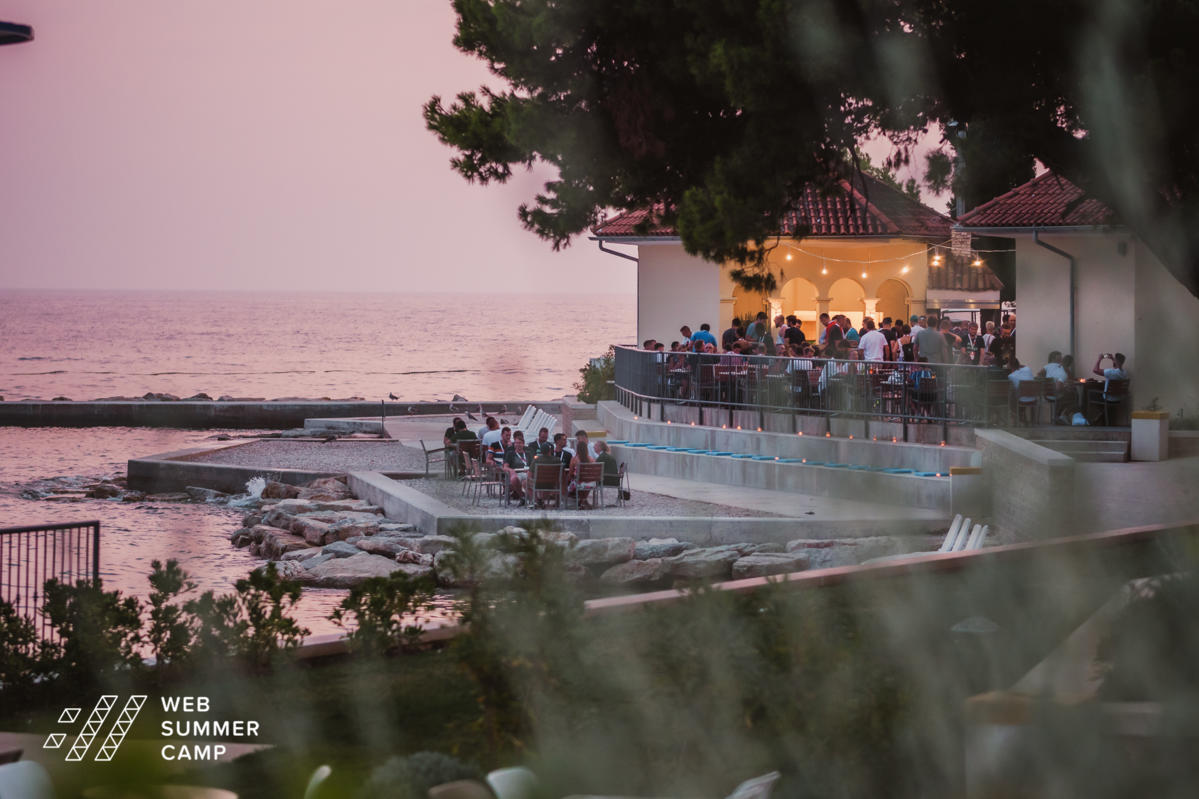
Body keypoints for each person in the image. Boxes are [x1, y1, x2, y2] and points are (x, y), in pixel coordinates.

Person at [568, 431, 595, 509]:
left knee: (569, 481)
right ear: (586, 449)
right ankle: (583, 500)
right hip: (591, 484)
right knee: (584, 482)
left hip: (579, 484)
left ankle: (580, 500)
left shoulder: (574, 460)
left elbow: (570, 474)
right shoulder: (591, 460)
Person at [502, 431, 530, 504]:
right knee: (515, 479)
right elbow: (505, 467)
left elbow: (532, 466)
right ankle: (522, 496)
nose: (518, 445)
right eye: (516, 443)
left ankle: (530, 498)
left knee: (527, 480)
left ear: (523, 444)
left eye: (520, 443)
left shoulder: (528, 454)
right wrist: (511, 471)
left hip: (527, 473)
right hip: (516, 473)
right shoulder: (510, 454)